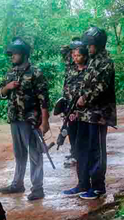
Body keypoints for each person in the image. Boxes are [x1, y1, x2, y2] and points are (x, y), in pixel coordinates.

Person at [63, 27, 117, 200]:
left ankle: (98, 187)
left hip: (99, 114)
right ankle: (83, 183)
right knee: (82, 149)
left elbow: (101, 86)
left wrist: (85, 98)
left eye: (91, 45)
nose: (88, 48)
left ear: (99, 44)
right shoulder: (92, 60)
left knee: (96, 151)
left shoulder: (105, 62)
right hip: (85, 114)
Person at [0, 37, 50, 201]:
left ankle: (37, 188)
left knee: (35, 153)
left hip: (30, 120)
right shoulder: (10, 73)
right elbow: (0, 93)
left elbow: (44, 99)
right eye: (11, 54)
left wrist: (45, 121)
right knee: (19, 154)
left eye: (14, 53)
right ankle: (17, 184)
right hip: (14, 119)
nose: (12, 56)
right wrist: (7, 87)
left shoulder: (35, 72)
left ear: (23, 54)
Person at [58, 38, 89, 168]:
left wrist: (76, 111)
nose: (75, 58)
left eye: (78, 55)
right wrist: (66, 110)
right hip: (69, 107)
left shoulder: (88, 70)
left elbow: (88, 92)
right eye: (73, 55)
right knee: (70, 131)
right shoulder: (71, 69)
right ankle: (75, 154)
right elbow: (67, 88)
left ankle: (80, 156)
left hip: (82, 110)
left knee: (81, 135)